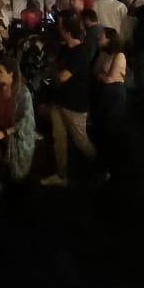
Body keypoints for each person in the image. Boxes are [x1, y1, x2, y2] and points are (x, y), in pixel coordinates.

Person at [40, 16, 97, 188]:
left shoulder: (81, 52)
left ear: (67, 31)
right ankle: (61, 174)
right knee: (59, 139)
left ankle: (101, 168)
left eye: (60, 26)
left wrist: (53, 72)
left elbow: (63, 76)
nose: (58, 29)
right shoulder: (66, 49)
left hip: (75, 104)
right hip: (60, 101)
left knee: (81, 141)